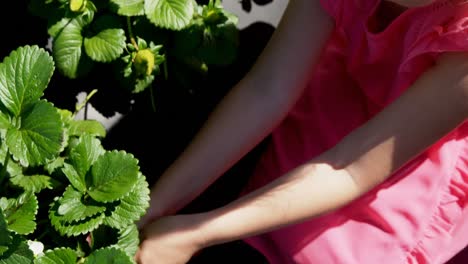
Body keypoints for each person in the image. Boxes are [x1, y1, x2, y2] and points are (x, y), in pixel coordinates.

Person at [135, 0, 468, 263]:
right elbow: (268, 89)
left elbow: (349, 170)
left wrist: (196, 233)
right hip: (341, 96)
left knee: (315, 251)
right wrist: (158, 203)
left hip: (403, 156)